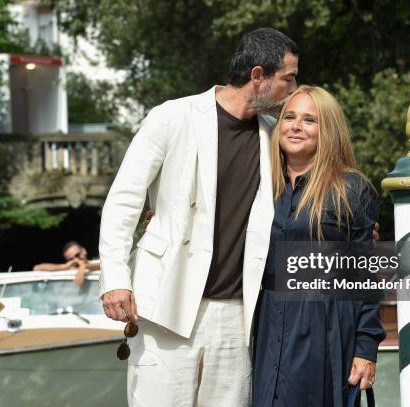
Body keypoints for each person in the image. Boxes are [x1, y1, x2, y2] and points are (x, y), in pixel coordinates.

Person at [99, 28, 299, 406]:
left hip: (238, 316)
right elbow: (123, 201)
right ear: (258, 75)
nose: (293, 88)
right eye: (288, 78)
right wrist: (114, 279)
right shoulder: (172, 116)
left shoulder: (275, 137)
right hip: (166, 304)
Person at [252, 86, 386, 406]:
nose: (296, 126)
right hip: (268, 321)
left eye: (310, 120)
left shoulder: (351, 188)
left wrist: (366, 348)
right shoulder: (259, 187)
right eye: (290, 117)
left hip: (325, 324)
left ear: (328, 131)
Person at [33, 241, 100, 286]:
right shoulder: (69, 270)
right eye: (71, 259)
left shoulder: (98, 262)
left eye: (77, 255)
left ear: (84, 250)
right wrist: (64, 266)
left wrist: (84, 266)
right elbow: (37, 268)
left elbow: (102, 267)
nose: (76, 260)